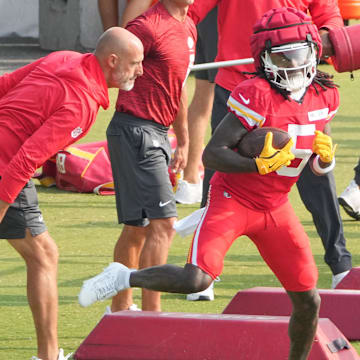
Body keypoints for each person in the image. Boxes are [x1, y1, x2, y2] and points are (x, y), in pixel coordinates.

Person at [79, 8, 339, 359]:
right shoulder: (256, 94)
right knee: (196, 279)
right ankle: (123, 277)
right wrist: (255, 164)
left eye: (299, 54)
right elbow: (212, 155)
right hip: (234, 198)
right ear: (264, 58)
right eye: (283, 56)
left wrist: (325, 161)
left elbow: (313, 167)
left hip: (277, 207)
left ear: (313, 50)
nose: (293, 64)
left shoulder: (324, 95)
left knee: (309, 299)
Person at [0, 27, 143, 360]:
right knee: (44, 256)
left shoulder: (64, 57)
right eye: (135, 63)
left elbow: (5, 85)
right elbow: (26, 160)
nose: (140, 70)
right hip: (6, 168)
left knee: (44, 254)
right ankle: (48, 357)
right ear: (112, 61)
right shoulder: (81, 105)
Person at [188, 0, 353, 288]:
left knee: (318, 176)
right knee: (220, 176)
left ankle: (340, 264)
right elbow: (190, 10)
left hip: (297, 77)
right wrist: (174, 37)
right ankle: (203, 268)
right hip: (238, 83)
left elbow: (328, 14)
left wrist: (325, 36)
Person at [92, 0, 196, 313]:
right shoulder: (147, 26)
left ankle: (121, 307)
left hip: (157, 133)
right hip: (136, 132)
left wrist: (184, 140)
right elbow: (105, 62)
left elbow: (176, 85)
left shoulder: (188, 27)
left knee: (137, 228)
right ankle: (153, 315)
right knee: (163, 226)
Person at [175, 7, 218, 206]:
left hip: (198, 13)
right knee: (228, 95)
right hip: (216, 15)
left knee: (205, 96)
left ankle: (191, 179)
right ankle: (193, 180)